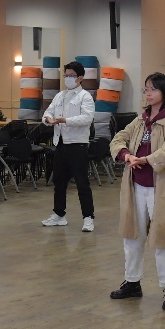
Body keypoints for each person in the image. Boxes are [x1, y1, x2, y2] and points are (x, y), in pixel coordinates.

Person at [108, 73, 165, 310]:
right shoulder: (140, 120)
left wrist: (147, 159)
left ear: (164, 92)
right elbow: (118, 139)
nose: (148, 93)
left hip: (160, 189)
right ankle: (132, 282)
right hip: (136, 187)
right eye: (146, 89)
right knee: (132, 236)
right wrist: (126, 155)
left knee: (164, 238)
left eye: (153, 89)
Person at [39, 61, 96, 232]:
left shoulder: (85, 96)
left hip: (77, 144)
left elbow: (87, 118)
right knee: (59, 181)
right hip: (60, 143)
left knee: (81, 182)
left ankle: (88, 217)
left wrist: (65, 120)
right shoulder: (60, 96)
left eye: (72, 76)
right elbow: (48, 111)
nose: (68, 78)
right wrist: (47, 119)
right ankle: (59, 214)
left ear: (80, 78)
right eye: (66, 75)